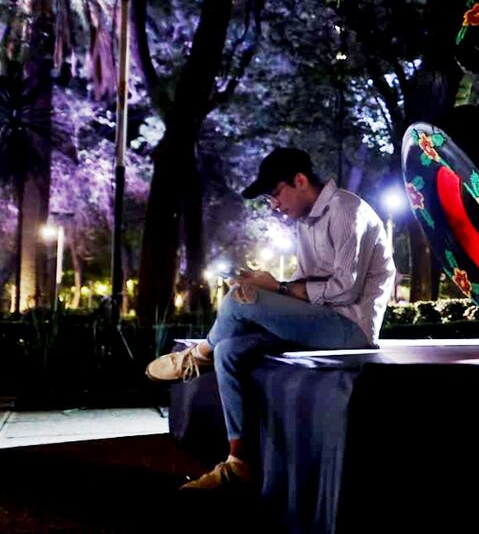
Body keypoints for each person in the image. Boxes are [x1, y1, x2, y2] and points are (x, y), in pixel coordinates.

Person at [145, 147, 396, 490]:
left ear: (300, 180)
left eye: (276, 193)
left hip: (350, 329)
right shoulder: (305, 224)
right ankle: (240, 465)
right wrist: (270, 288)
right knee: (229, 351)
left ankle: (197, 356)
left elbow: (343, 290)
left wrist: (276, 286)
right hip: (319, 322)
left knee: (238, 300)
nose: (274, 205)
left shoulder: (345, 210)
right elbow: (306, 284)